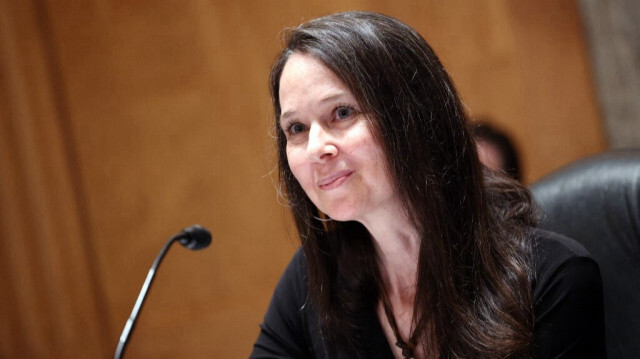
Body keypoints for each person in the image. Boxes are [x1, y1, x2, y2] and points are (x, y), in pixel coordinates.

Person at [251, 11, 605, 359]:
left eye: (342, 113)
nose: (315, 149)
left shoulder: (553, 278)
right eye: (296, 128)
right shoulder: (314, 277)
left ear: (415, 118)